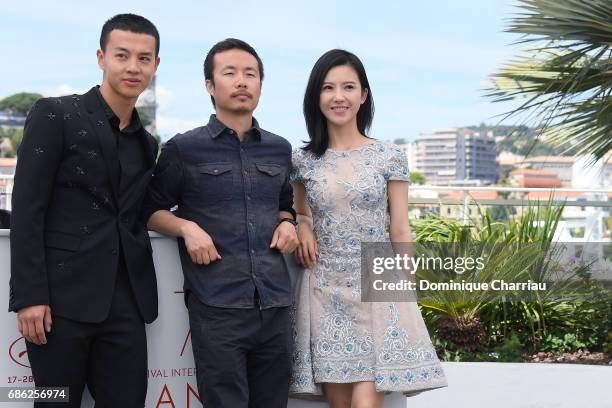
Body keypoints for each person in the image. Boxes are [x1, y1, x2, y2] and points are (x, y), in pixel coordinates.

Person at [9, 14, 160, 407]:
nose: (133, 67)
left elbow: (138, 211)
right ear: (101, 57)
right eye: (122, 55)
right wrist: (29, 296)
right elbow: (26, 207)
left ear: (155, 66)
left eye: (144, 59)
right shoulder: (55, 114)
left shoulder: (146, 143)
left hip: (126, 304)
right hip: (58, 305)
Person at [143, 38, 299, 408]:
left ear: (261, 84)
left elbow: (284, 202)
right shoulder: (183, 148)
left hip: (275, 305)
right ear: (210, 86)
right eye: (230, 73)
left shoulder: (279, 148)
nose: (242, 81)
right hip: (217, 308)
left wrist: (288, 222)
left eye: (251, 74)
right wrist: (186, 227)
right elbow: (148, 208)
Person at [290, 49, 447, 407]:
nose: (338, 96)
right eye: (328, 88)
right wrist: (303, 225)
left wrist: (404, 292)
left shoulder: (388, 155)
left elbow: (401, 228)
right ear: (317, 97)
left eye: (348, 87)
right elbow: (301, 211)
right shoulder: (302, 160)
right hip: (324, 289)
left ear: (363, 95)